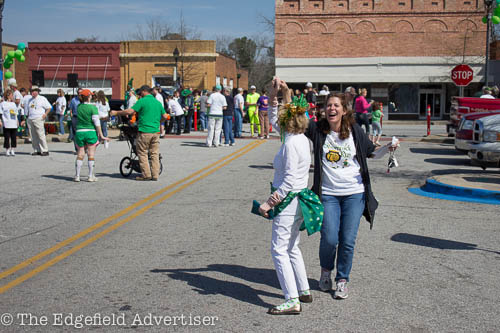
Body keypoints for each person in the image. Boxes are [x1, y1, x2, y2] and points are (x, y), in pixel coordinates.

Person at [303, 87, 397, 300]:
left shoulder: (355, 131)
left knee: (347, 240)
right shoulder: (318, 130)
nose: (331, 108)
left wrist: (388, 148)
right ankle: (326, 270)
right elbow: (294, 119)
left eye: (336, 105)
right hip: (327, 194)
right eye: (328, 105)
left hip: (354, 194)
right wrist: (280, 97)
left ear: (344, 110)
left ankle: (342, 280)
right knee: (329, 238)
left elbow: (371, 153)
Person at [258, 77, 323, 315]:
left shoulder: (290, 144)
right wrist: (277, 93)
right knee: (293, 246)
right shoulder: (298, 139)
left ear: (288, 121)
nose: (277, 122)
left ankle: (292, 299)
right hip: (297, 201)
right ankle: (303, 290)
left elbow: (289, 183)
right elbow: (275, 116)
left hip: (288, 201)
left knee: (279, 249)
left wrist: (268, 203)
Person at [110, 85, 168, 181]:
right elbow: (165, 116)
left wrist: (116, 113)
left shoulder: (142, 101)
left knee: (142, 153)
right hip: (156, 132)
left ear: (144, 91)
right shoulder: (157, 102)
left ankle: (146, 175)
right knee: (154, 154)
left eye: (140, 93)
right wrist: (158, 122)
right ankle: (155, 175)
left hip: (144, 131)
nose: (140, 95)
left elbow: (130, 111)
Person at [73, 89, 108, 182]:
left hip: (80, 131)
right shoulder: (93, 108)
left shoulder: (79, 107)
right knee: (91, 154)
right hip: (90, 131)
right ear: (89, 97)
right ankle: (90, 176)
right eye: (91, 95)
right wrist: (101, 135)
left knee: (80, 154)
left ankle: (77, 176)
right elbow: (97, 123)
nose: (92, 96)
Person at [26, 86, 51, 156]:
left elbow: (49, 107)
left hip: (38, 118)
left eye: (34, 91)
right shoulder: (29, 100)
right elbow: (28, 110)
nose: (33, 92)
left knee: (40, 135)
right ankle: (36, 150)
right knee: (33, 136)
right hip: (30, 118)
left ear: (37, 91)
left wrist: (45, 114)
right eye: (32, 91)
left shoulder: (42, 98)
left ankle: (45, 150)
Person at [1, 89, 21, 156]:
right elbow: (0, 113)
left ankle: (12, 149)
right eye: (11, 95)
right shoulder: (3, 104)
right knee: (7, 137)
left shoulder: (13, 104)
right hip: (6, 123)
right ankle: (7, 150)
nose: (12, 96)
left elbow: (16, 113)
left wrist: (17, 121)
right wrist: (0, 121)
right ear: (8, 95)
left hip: (13, 123)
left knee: (13, 137)